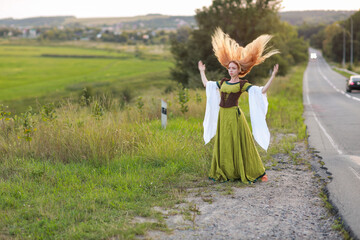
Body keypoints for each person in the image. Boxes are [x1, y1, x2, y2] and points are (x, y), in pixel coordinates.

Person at [199, 28, 279, 183]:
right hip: (223, 116)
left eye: (233, 68)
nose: (230, 70)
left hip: (235, 117)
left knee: (239, 144)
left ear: (239, 70)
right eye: (229, 68)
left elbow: (261, 91)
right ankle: (227, 172)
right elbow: (206, 85)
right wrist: (202, 71)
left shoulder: (243, 84)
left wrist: (272, 77)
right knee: (225, 144)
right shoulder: (222, 82)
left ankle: (249, 170)